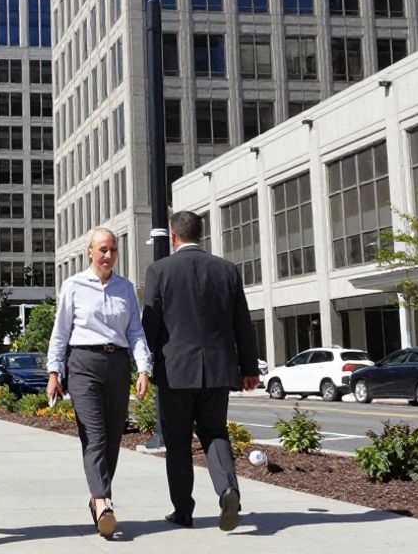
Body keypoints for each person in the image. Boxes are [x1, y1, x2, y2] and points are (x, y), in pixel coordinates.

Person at [141, 210, 261, 532]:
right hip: (218, 371)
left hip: (175, 372)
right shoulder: (226, 270)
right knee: (214, 433)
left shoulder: (160, 270)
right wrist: (249, 368)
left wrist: (143, 366)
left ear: (174, 237)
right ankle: (227, 489)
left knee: (178, 442)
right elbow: (242, 325)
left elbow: (150, 325)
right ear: (200, 234)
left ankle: (183, 511)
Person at [45, 229, 151, 538]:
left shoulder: (125, 288)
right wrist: (54, 372)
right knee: (93, 435)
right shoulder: (74, 286)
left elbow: (135, 332)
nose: (108, 255)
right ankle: (104, 501)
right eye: (103, 249)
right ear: (90, 252)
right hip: (83, 364)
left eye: (113, 250)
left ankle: (97, 500)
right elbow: (60, 333)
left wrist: (143, 369)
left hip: (118, 365)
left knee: (113, 436)